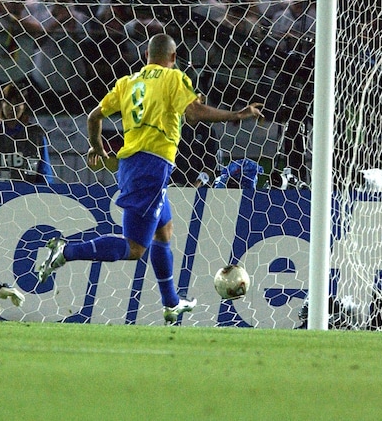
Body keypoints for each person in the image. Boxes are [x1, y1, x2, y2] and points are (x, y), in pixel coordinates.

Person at [36, 33, 264, 324]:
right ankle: (66, 251)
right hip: (151, 167)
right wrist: (239, 113)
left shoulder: (128, 82)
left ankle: (171, 303)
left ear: (146, 55)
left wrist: (95, 145)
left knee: (164, 231)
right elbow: (194, 114)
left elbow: (94, 116)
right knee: (134, 248)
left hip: (133, 164)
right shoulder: (174, 79)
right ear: (173, 57)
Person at [0, 83, 55, 184]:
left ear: (24, 106)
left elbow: (45, 174)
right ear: (1, 104)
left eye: (17, 103)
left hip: (28, 195)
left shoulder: (36, 135)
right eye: (8, 102)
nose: (12, 108)